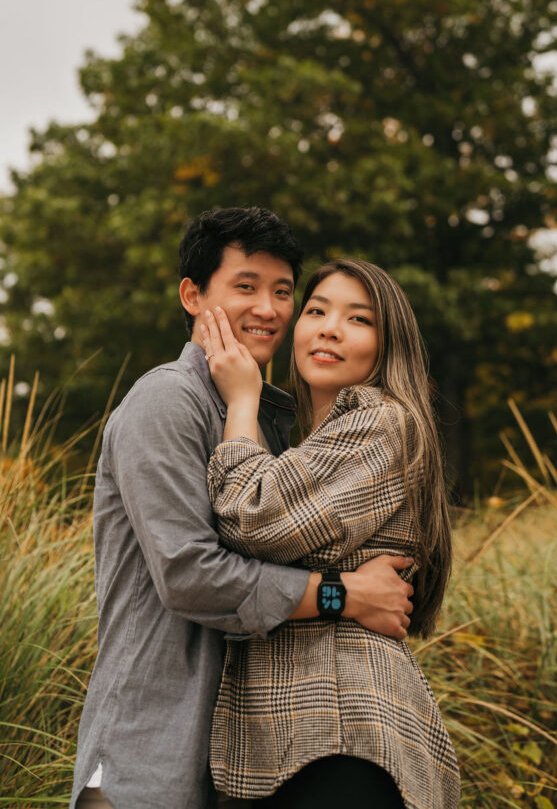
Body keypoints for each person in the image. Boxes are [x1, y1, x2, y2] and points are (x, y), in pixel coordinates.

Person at [70, 210, 417, 809]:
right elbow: (191, 575)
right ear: (193, 294)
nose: (268, 308)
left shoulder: (272, 417)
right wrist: (344, 594)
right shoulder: (166, 400)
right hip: (145, 760)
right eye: (246, 286)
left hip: (238, 765)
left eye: (283, 292)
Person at [202, 258, 460, 809]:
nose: (329, 328)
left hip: (340, 734)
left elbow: (253, 517)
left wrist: (244, 399)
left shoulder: (380, 420)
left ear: (388, 347)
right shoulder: (317, 443)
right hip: (304, 740)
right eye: (316, 310)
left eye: (358, 319)